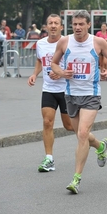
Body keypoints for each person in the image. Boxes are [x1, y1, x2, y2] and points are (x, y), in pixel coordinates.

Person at [51, 10, 107, 194]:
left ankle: (76, 179)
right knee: (79, 133)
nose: (78, 27)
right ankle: (100, 145)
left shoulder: (98, 42)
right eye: (75, 24)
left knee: (82, 133)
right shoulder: (65, 42)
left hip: (91, 94)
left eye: (81, 24)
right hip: (71, 95)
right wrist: (61, 72)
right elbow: (54, 63)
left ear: (89, 25)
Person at [27, 14, 74, 172]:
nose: (53, 26)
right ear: (46, 27)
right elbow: (40, 60)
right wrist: (35, 74)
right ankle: (49, 158)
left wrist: (60, 72)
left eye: (56, 23)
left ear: (61, 27)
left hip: (66, 89)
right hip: (48, 89)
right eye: (50, 23)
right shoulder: (40, 43)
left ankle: (92, 141)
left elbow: (76, 64)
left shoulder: (68, 43)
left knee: (69, 126)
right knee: (47, 122)